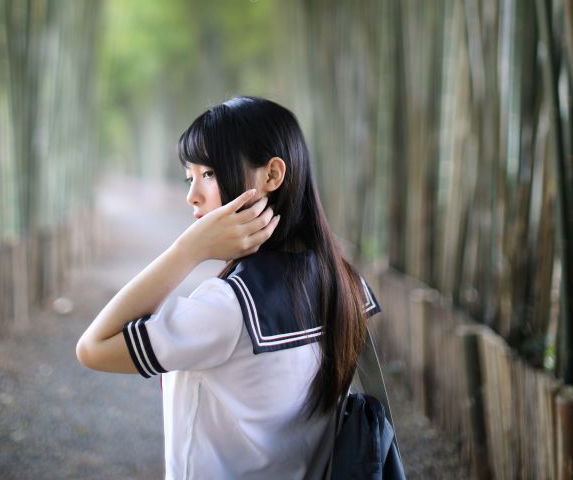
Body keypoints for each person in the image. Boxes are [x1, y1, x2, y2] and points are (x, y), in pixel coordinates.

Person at [76, 95, 381, 479]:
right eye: (191, 177)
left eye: (209, 174)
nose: (193, 195)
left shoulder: (228, 308)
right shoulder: (344, 282)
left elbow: (92, 348)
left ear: (271, 175)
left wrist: (187, 250)